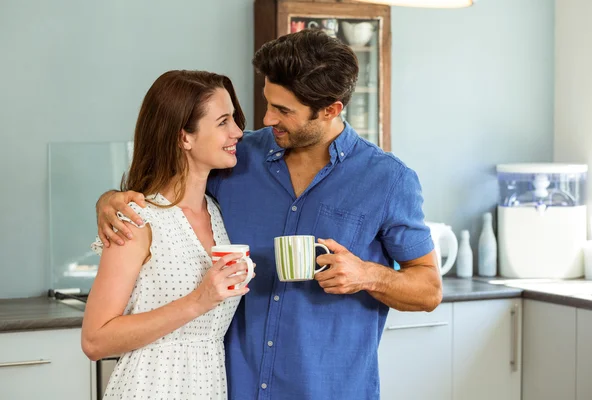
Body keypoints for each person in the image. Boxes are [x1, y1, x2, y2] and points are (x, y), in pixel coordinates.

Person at [96, 30, 442, 400]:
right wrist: (111, 198)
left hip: (329, 391)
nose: (266, 118)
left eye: (284, 110)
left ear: (331, 109)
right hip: (229, 389)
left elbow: (428, 290)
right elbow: (169, 189)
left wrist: (368, 275)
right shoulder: (237, 158)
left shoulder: (387, 179)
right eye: (268, 102)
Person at [82, 70, 253, 399]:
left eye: (234, 119)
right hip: (149, 388)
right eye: (223, 122)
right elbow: (94, 340)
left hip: (208, 387)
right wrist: (199, 300)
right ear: (184, 137)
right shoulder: (138, 219)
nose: (238, 131)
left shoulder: (218, 213)